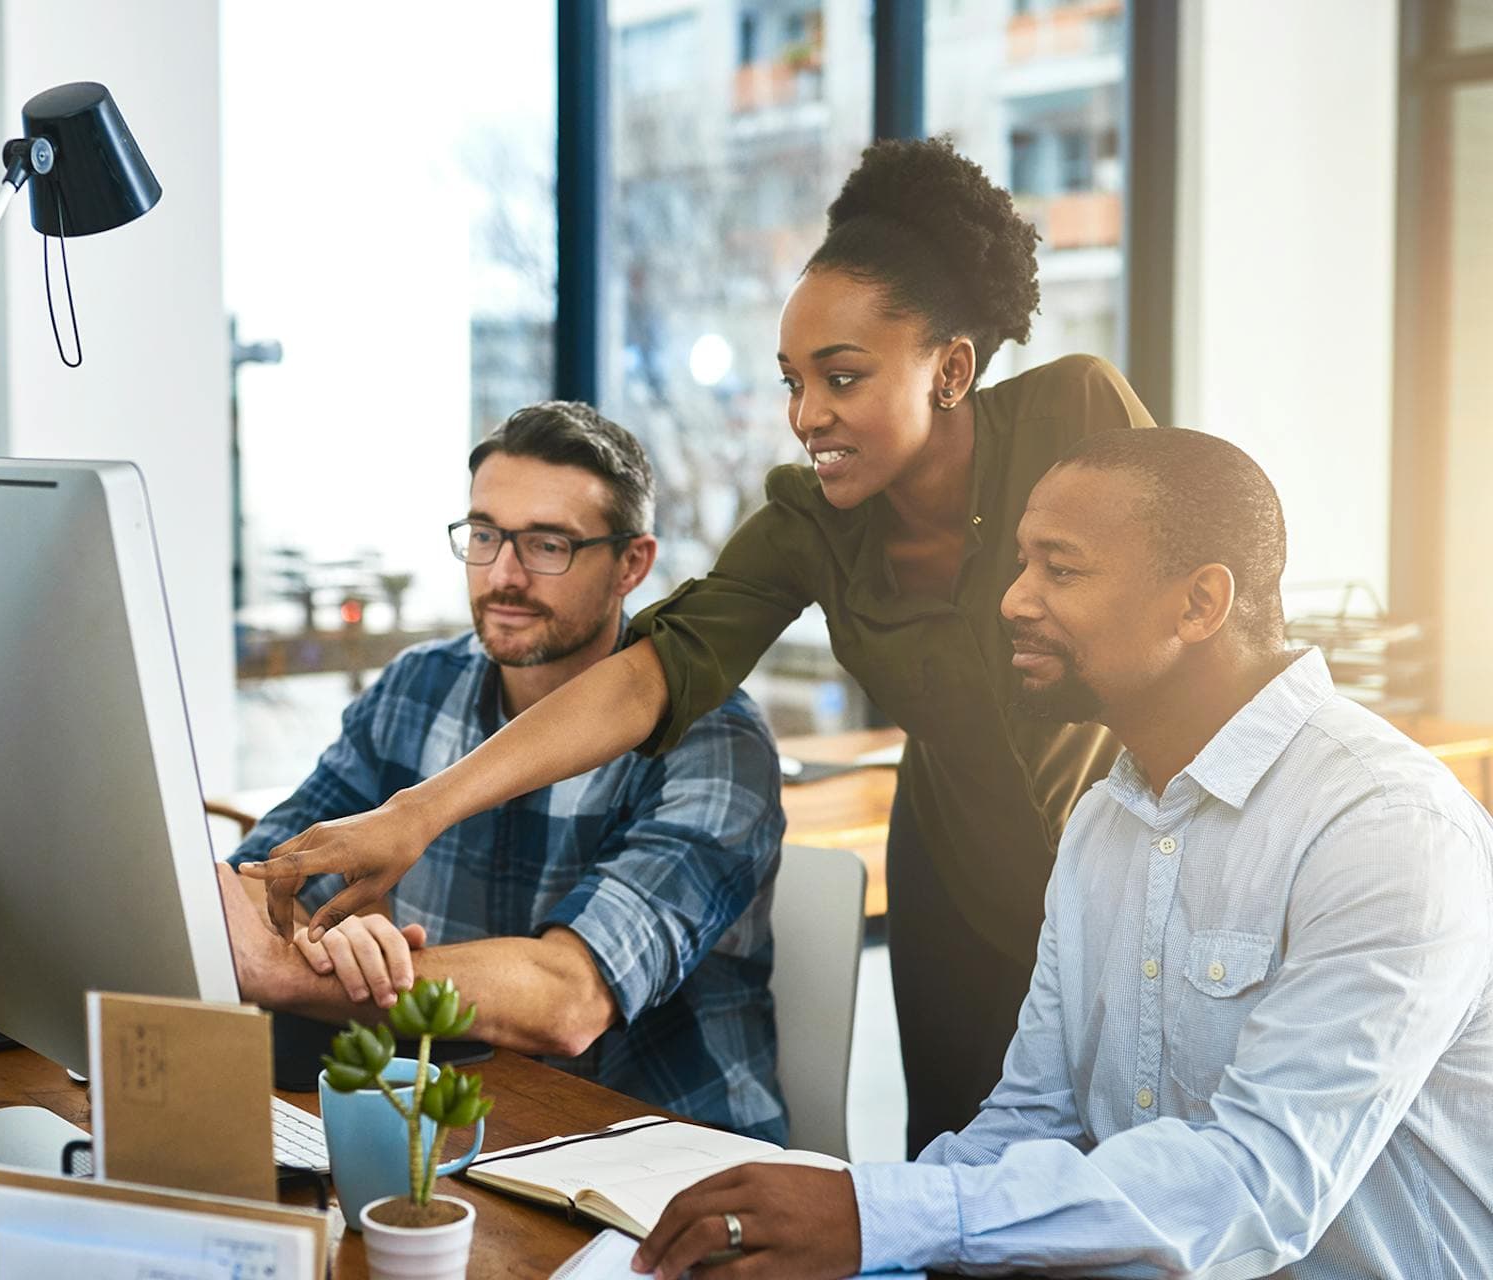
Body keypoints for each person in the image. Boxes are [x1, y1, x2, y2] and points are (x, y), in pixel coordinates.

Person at [243, 136, 1157, 1150]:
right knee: (967, 1156)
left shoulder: (1074, 413)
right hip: (958, 865)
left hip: (1134, 848)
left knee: (1154, 1148)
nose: (807, 415)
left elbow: (1189, 607)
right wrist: (416, 814)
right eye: (793, 381)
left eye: (842, 377)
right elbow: (652, 676)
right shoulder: (810, 522)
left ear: (950, 368)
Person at [633, 428, 1493, 1279]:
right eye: (1020, 563)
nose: (1013, 599)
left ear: (1199, 605)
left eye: (1062, 569)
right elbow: (1031, 1122)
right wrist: (866, 1226)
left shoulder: (1387, 828)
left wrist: (880, 1217)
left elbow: (1261, 1182)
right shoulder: (1103, 823)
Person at [221, 402, 789, 1141]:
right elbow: (261, 884)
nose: (503, 575)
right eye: (485, 535)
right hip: (464, 1127)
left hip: (663, 1152)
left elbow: (569, 1001)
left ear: (632, 564)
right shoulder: (420, 686)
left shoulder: (713, 739)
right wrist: (333, 946)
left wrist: (295, 972)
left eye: (547, 545)